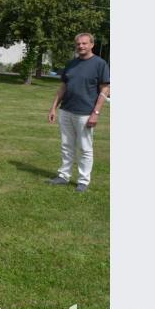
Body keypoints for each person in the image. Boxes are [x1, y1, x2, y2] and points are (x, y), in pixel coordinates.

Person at [47, 33, 110, 192]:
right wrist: (54, 107)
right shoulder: (71, 64)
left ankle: (83, 181)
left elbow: (105, 89)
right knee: (67, 145)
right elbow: (63, 87)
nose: (81, 46)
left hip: (85, 113)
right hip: (66, 110)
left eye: (84, 43)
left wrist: (96, 112)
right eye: (78, 44)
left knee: (85, 148)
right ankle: (63, 176)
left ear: (92, 44)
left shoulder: (100, 64)